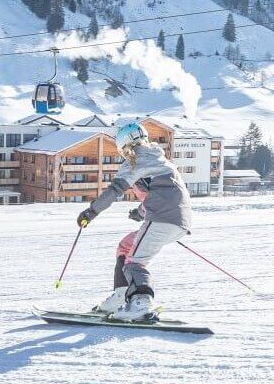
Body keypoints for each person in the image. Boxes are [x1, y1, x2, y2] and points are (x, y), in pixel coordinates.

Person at [77, 121, 192, 321]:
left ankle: (142, 302)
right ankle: (122, 296)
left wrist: (91, 212)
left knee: (134, 263)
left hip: (162, 218)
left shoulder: (136, 160)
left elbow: (114, 191)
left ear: (124, 147)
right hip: (177, 220)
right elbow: (162, 193)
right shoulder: (160, 160)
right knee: (125, 247)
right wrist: (139, 213)